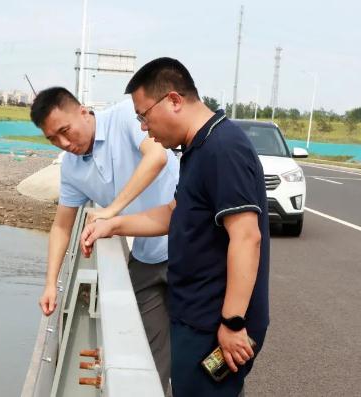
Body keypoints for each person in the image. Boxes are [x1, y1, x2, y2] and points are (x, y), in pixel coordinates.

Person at [80, 58, 270, 397]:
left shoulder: (223, 148)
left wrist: (233, 322)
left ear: (174, 100)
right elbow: (174, 213)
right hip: (195, 318)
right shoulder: (197, 149)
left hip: (216, 326)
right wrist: (115, 225)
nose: (142, 127)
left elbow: (247, 237)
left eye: (143, 115)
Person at [30, 87, 179, 391]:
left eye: (65, 131)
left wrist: (111, 210)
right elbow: (62, 227)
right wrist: (50, 283)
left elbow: (157, 157)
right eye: (52, 139)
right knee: (147, 356)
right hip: (147, 255)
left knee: (201, 355)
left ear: (83, 111)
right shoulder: (71, 167)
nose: (63, 143)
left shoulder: (124, 116)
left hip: (187, 247)